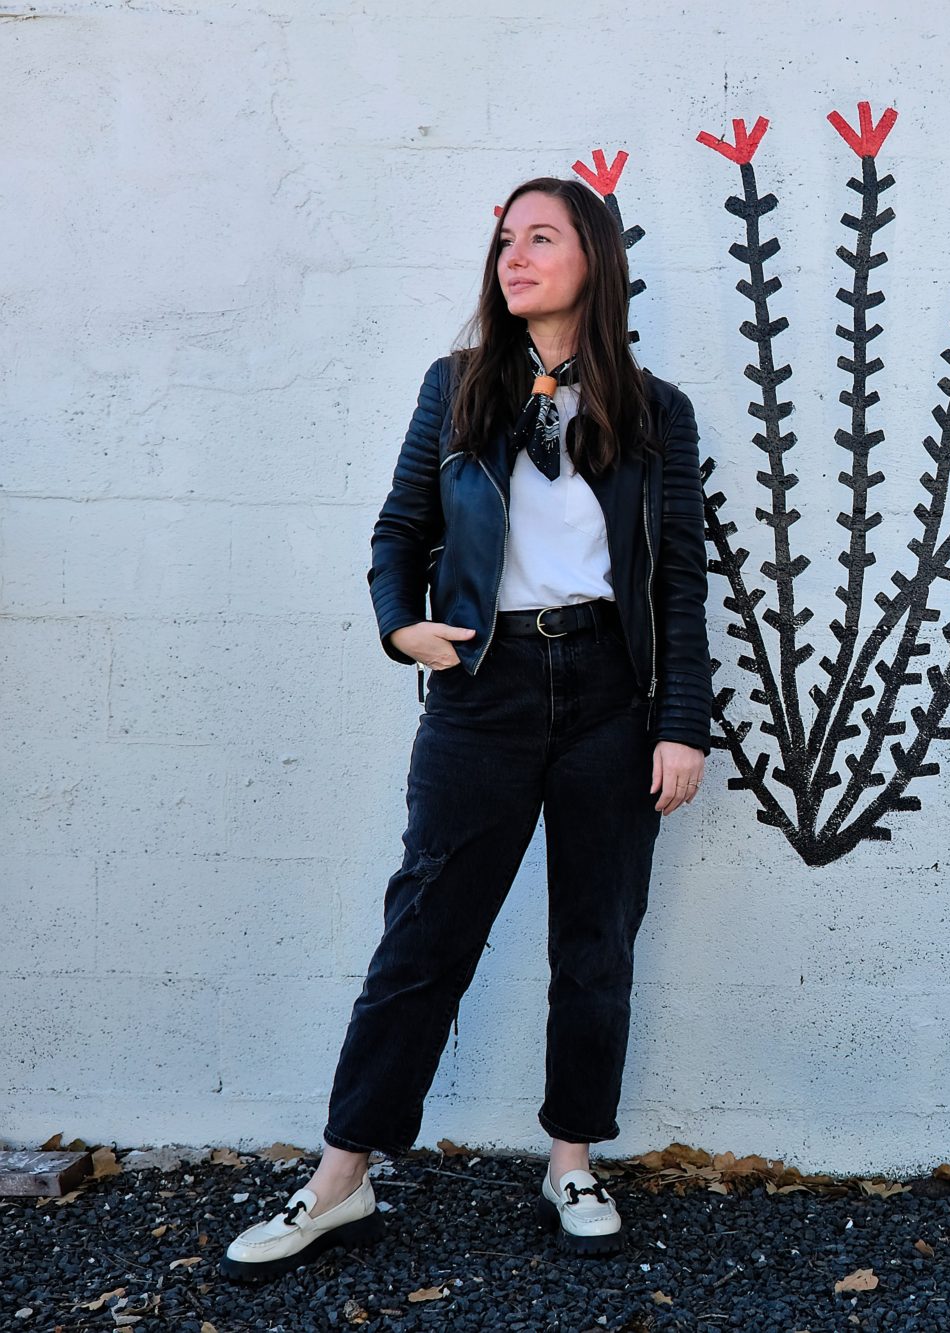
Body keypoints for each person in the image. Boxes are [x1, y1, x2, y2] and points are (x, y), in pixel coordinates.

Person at [219, 175, 713, 1281]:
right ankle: (339, 1179)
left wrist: (679, 724)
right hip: (481, 688)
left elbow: (677, 579)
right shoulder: (455, 390)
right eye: (503, 241)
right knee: (424, 937)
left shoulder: (654, 411)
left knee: (595, 941)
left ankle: (571, 1157)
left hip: (608, 697)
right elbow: (400, 530)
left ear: (594, 257)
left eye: (541, 238)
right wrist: (405, 631)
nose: (515, 257)